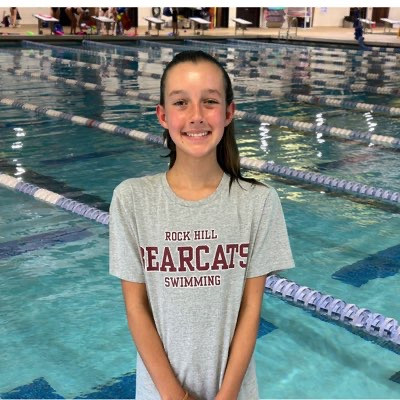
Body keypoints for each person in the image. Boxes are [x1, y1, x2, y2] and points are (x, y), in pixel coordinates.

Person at [109, 50, 294, 400]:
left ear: (228, 112)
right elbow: (136, 308)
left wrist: (227, 396)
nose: (196, 116)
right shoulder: (132, 200)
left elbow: (251, 309)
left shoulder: (257, 202)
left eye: (209, 101)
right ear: (163, 115)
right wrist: (176, 396)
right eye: (181, 102)